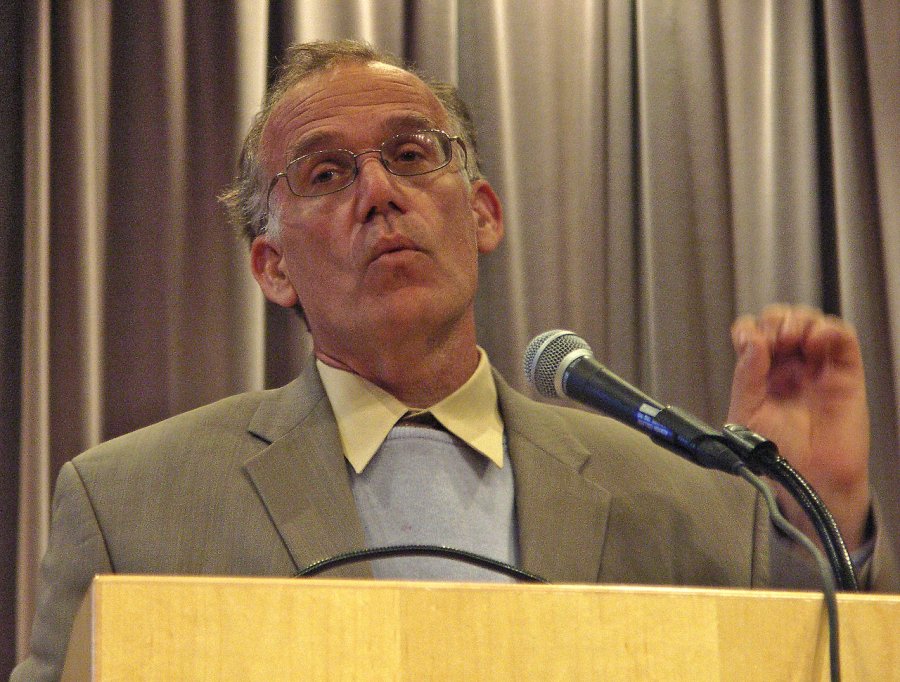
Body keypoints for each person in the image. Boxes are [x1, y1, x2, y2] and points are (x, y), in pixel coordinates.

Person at [12, 39, 897, 680]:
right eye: (326, 174)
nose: (379, 193)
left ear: (481, 214)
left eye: (411, 155)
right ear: (272, 266)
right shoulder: (130, 505)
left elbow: (808, 662)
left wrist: (812, 515)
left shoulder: (687, 498)